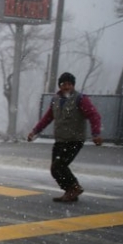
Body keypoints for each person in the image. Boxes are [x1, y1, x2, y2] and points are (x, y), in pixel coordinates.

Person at [26, 72, 103, 202]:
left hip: (74, 139)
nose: (66, 87)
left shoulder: (80, 99)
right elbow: (47, 118)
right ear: (60, 86)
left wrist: (96, 134)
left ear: (73, 85)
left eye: (69, 84)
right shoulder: (55, 100)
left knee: (59, 166)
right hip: (60, 140)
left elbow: (94, 115)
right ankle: (70, 191)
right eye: (63, 84)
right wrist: (34, 131)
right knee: (54, 169)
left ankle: (74, 187)